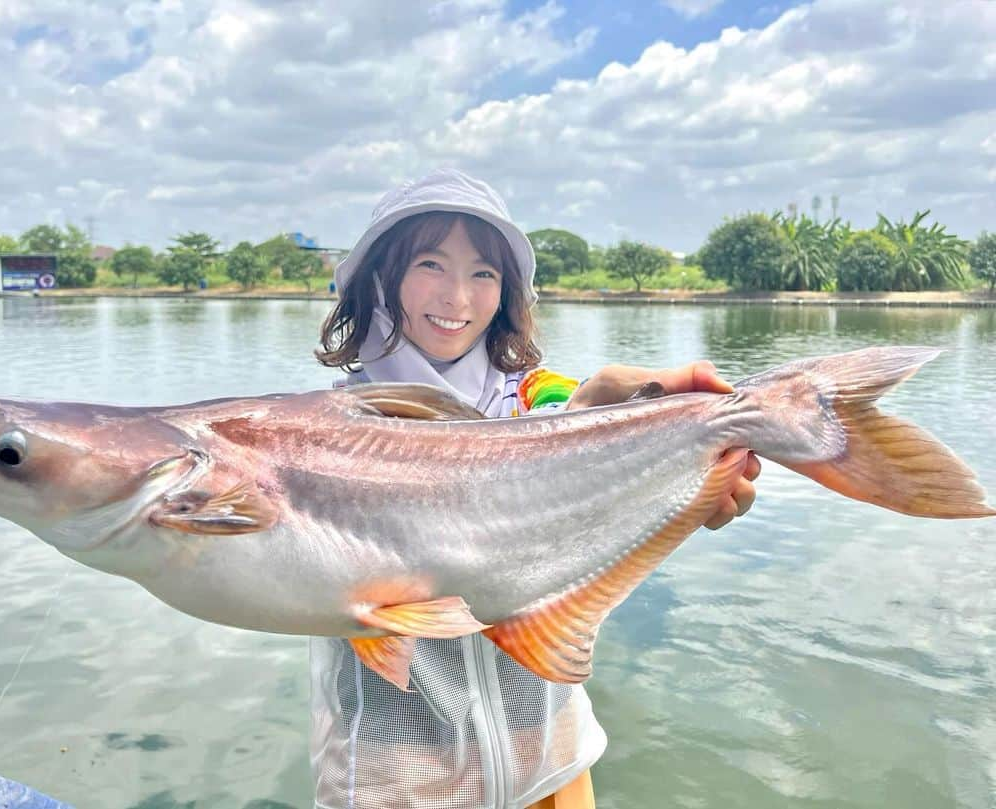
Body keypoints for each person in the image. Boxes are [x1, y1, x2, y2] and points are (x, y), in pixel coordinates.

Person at [311, 168, 760, 809]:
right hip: (399, 780)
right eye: (430, 264)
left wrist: (680, 477)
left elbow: (569, 417)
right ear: (382, 276)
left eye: (483, 274)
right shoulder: (327, 427)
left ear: (507, 292)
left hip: (551, 762)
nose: (457, 296)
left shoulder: (536, 396)